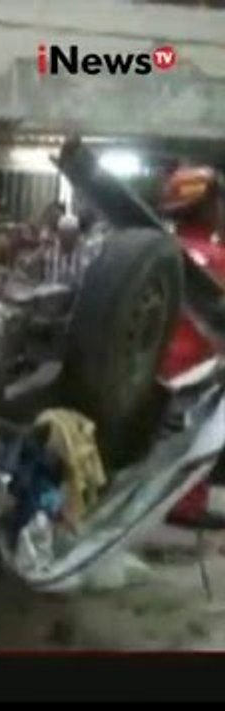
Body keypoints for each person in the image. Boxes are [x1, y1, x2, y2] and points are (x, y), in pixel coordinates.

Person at [157, 166, 225, 528]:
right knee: (196, 438)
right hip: (201, 363)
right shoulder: (218, 257)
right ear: (207, 206)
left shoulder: (161, 249)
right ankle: (187, 505)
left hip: (157, 362)